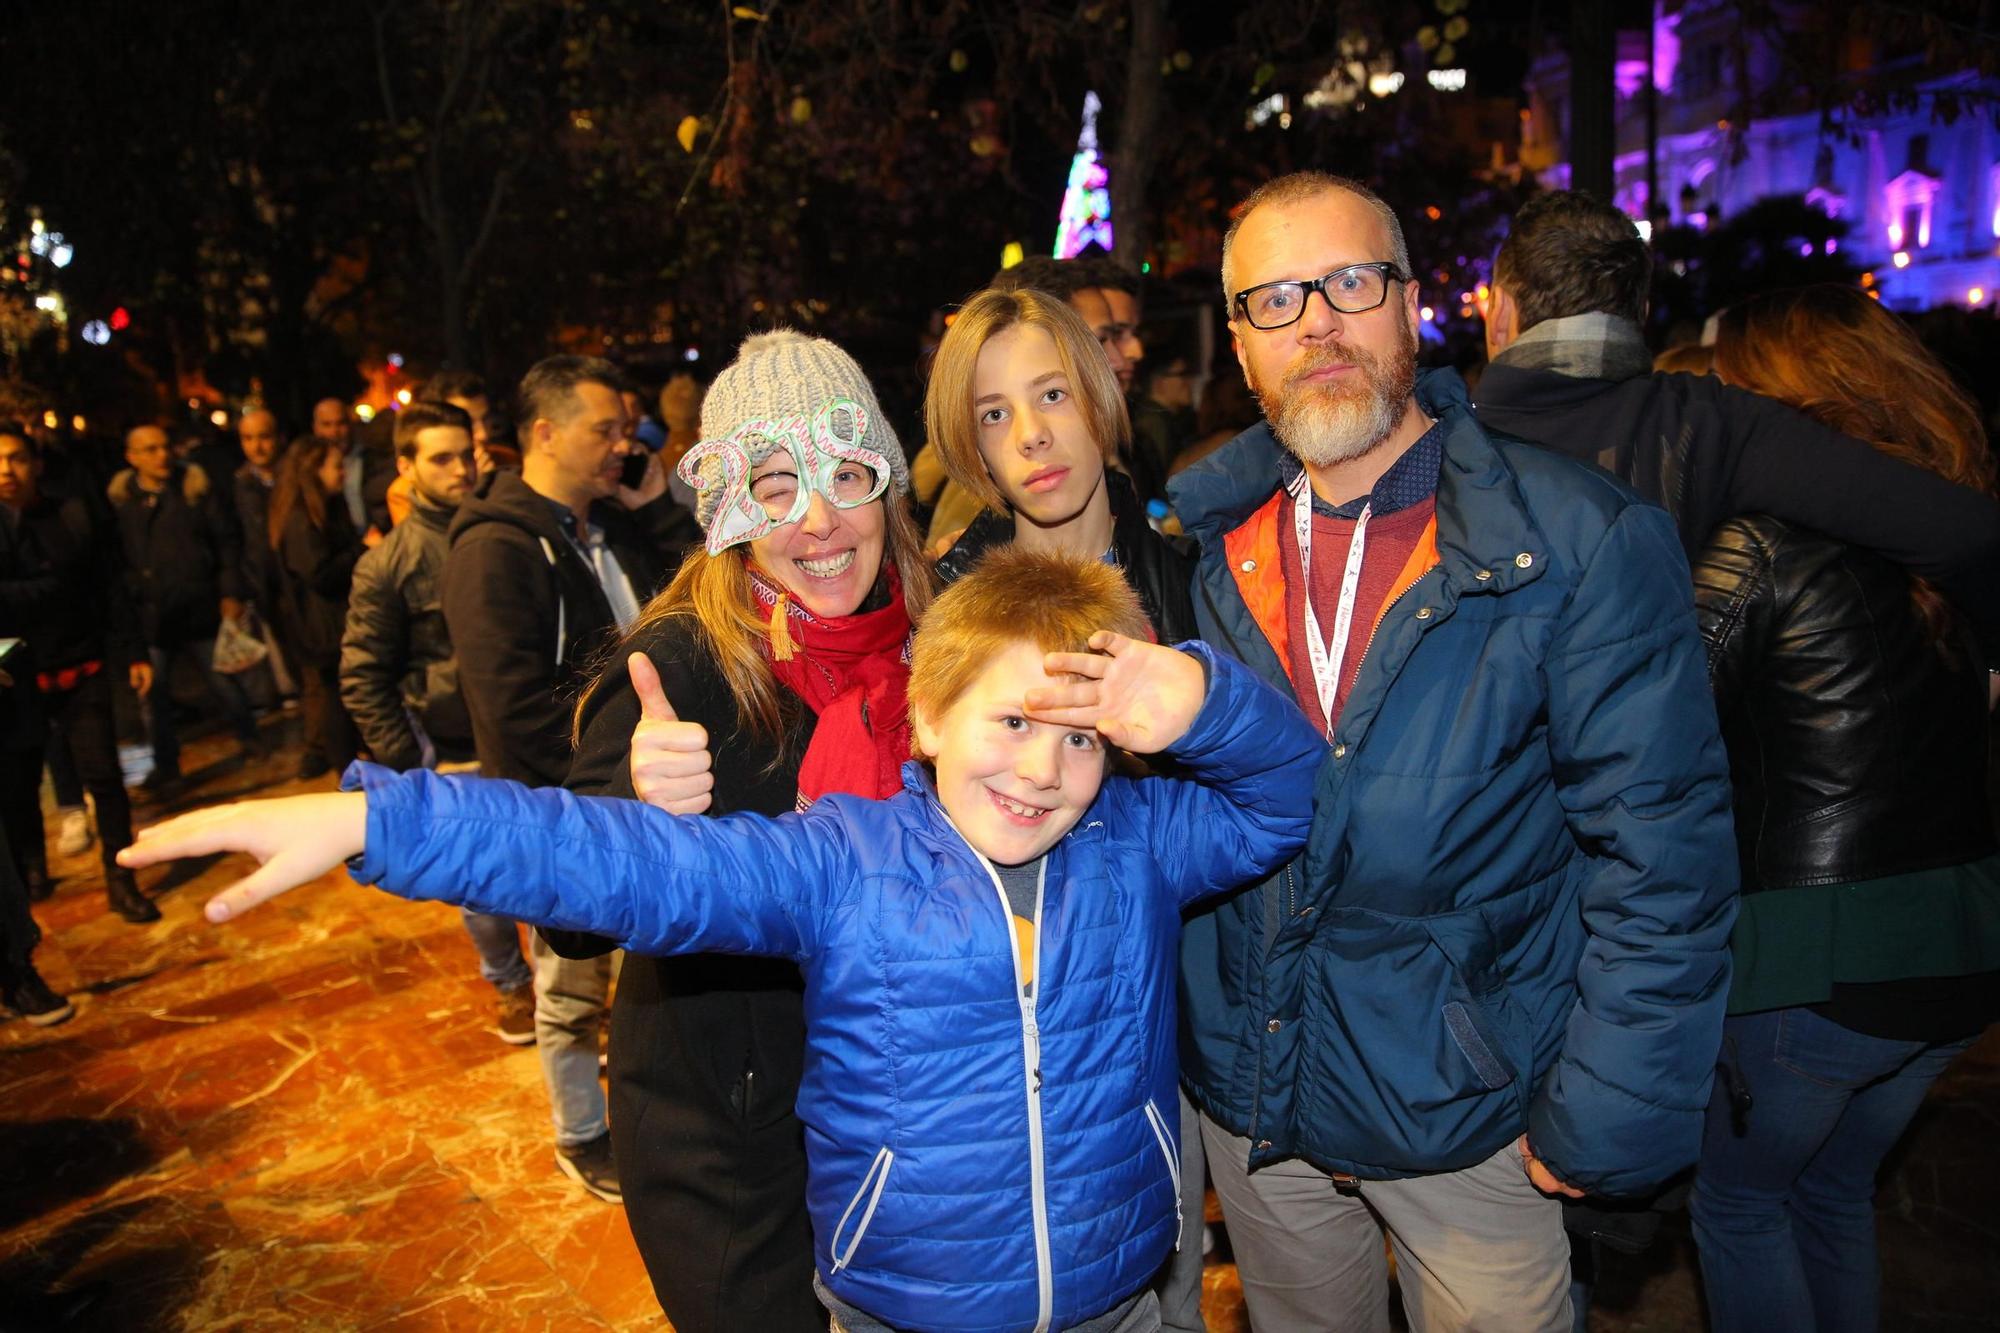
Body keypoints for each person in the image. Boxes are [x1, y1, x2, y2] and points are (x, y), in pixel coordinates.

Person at [120, 544, 1326, 1333]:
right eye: (1009, 720)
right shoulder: (840, 861)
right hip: (904, 1305)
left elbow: (1285, 797)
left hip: (1114, 1298)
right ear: (925, 718)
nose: (1042, 767)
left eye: (1078, 737)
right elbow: (620, 863)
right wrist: (374, 818)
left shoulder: (1138, 842)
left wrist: (1201, 699)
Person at [1168, 170, 1738, 1332]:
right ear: (1238, 347)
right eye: (1273, 300)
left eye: (1348, 282)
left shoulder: (1573, 539)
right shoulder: (1208, 554)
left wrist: (1605, 1108)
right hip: (1260, 1111)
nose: (1316, 321)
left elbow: (1662, 855)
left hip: (1473, 1121)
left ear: (1413, 305)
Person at [558, 329, 933, 1329]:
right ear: (728, 509)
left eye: (844, 474)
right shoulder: (676, 664)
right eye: (773, 485)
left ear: (885, 485)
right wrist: (633, 815)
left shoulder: (941, 649)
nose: (815, 520)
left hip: (905, 1115)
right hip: (730, 1144)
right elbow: (568, 919)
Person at [1682, 286, 2000, 1333]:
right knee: (1828, 1196)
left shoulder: (1760, 540)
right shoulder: (1941, 539)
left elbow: (1657, 732)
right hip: (1953, 951)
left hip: (1812, 963)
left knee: (1737, 1203)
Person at [923, 287, 1204, 1330]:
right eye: (993, 413)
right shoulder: (950, 603)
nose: (1031, 434)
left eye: (1050, 394)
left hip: (1185, 1013)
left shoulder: (1196, 565)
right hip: (1025, 1046)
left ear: (1099, 394)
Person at [1473, 190, 2000, 650]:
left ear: (1500, 313)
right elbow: (1967, 533)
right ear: (1642, 311)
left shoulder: (1428, 439)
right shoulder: (1711, 422)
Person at [441, 353, 694, 1202]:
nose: (624, 443)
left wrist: (653, 506)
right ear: (543, 434)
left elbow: (694, 594)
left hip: (640, 791)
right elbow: (511, 704)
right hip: (569, 803)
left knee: (636, 975)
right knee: (569, 978)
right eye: (605, 430)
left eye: (627, 427)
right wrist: (609, 776)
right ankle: (581, 1131)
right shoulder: (497, 547)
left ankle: (639, 1116)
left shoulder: (605, 521)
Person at [339, 402, 532, 1043]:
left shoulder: (507, 529)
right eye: (440, 458)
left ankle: (570, 995)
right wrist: (413, 763)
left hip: (518, 730)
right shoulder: (389, 561)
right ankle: (510, 986)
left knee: (551, 860)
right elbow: (363, 674)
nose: (460, 468)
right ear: (406, 466)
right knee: (480, 883)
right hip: (451, 747)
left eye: (466, 453)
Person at [0, 425, 158, 922]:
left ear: (36, 464)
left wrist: (132, 651)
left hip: (80, 664)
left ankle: (121, 876)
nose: (7, 470)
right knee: (21, 785)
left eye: (17, 458)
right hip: (14, 677)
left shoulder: (70, 515)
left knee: (104, 776)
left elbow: (105, 586)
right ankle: (32, 870)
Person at [110, 423, 262, 798]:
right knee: (153, 694)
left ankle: (250, 738)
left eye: (165, 446)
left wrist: (230, 592)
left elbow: (226, 543)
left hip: (199, 605)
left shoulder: (194, 490)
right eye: (150, 449)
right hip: (153, 614)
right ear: (132, 457)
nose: (161, 455)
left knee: (223, 678)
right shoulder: (122, 502)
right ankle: (167, 766)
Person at [270, 436, 364, 780]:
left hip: (331, 621)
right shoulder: (300, 517)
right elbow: (318, 573)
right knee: (335, 698)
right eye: (336, 466)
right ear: (313, 470)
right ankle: (349, 773)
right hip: (322, 627)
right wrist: (363, 549)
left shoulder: (327, 507)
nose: (343, 473)